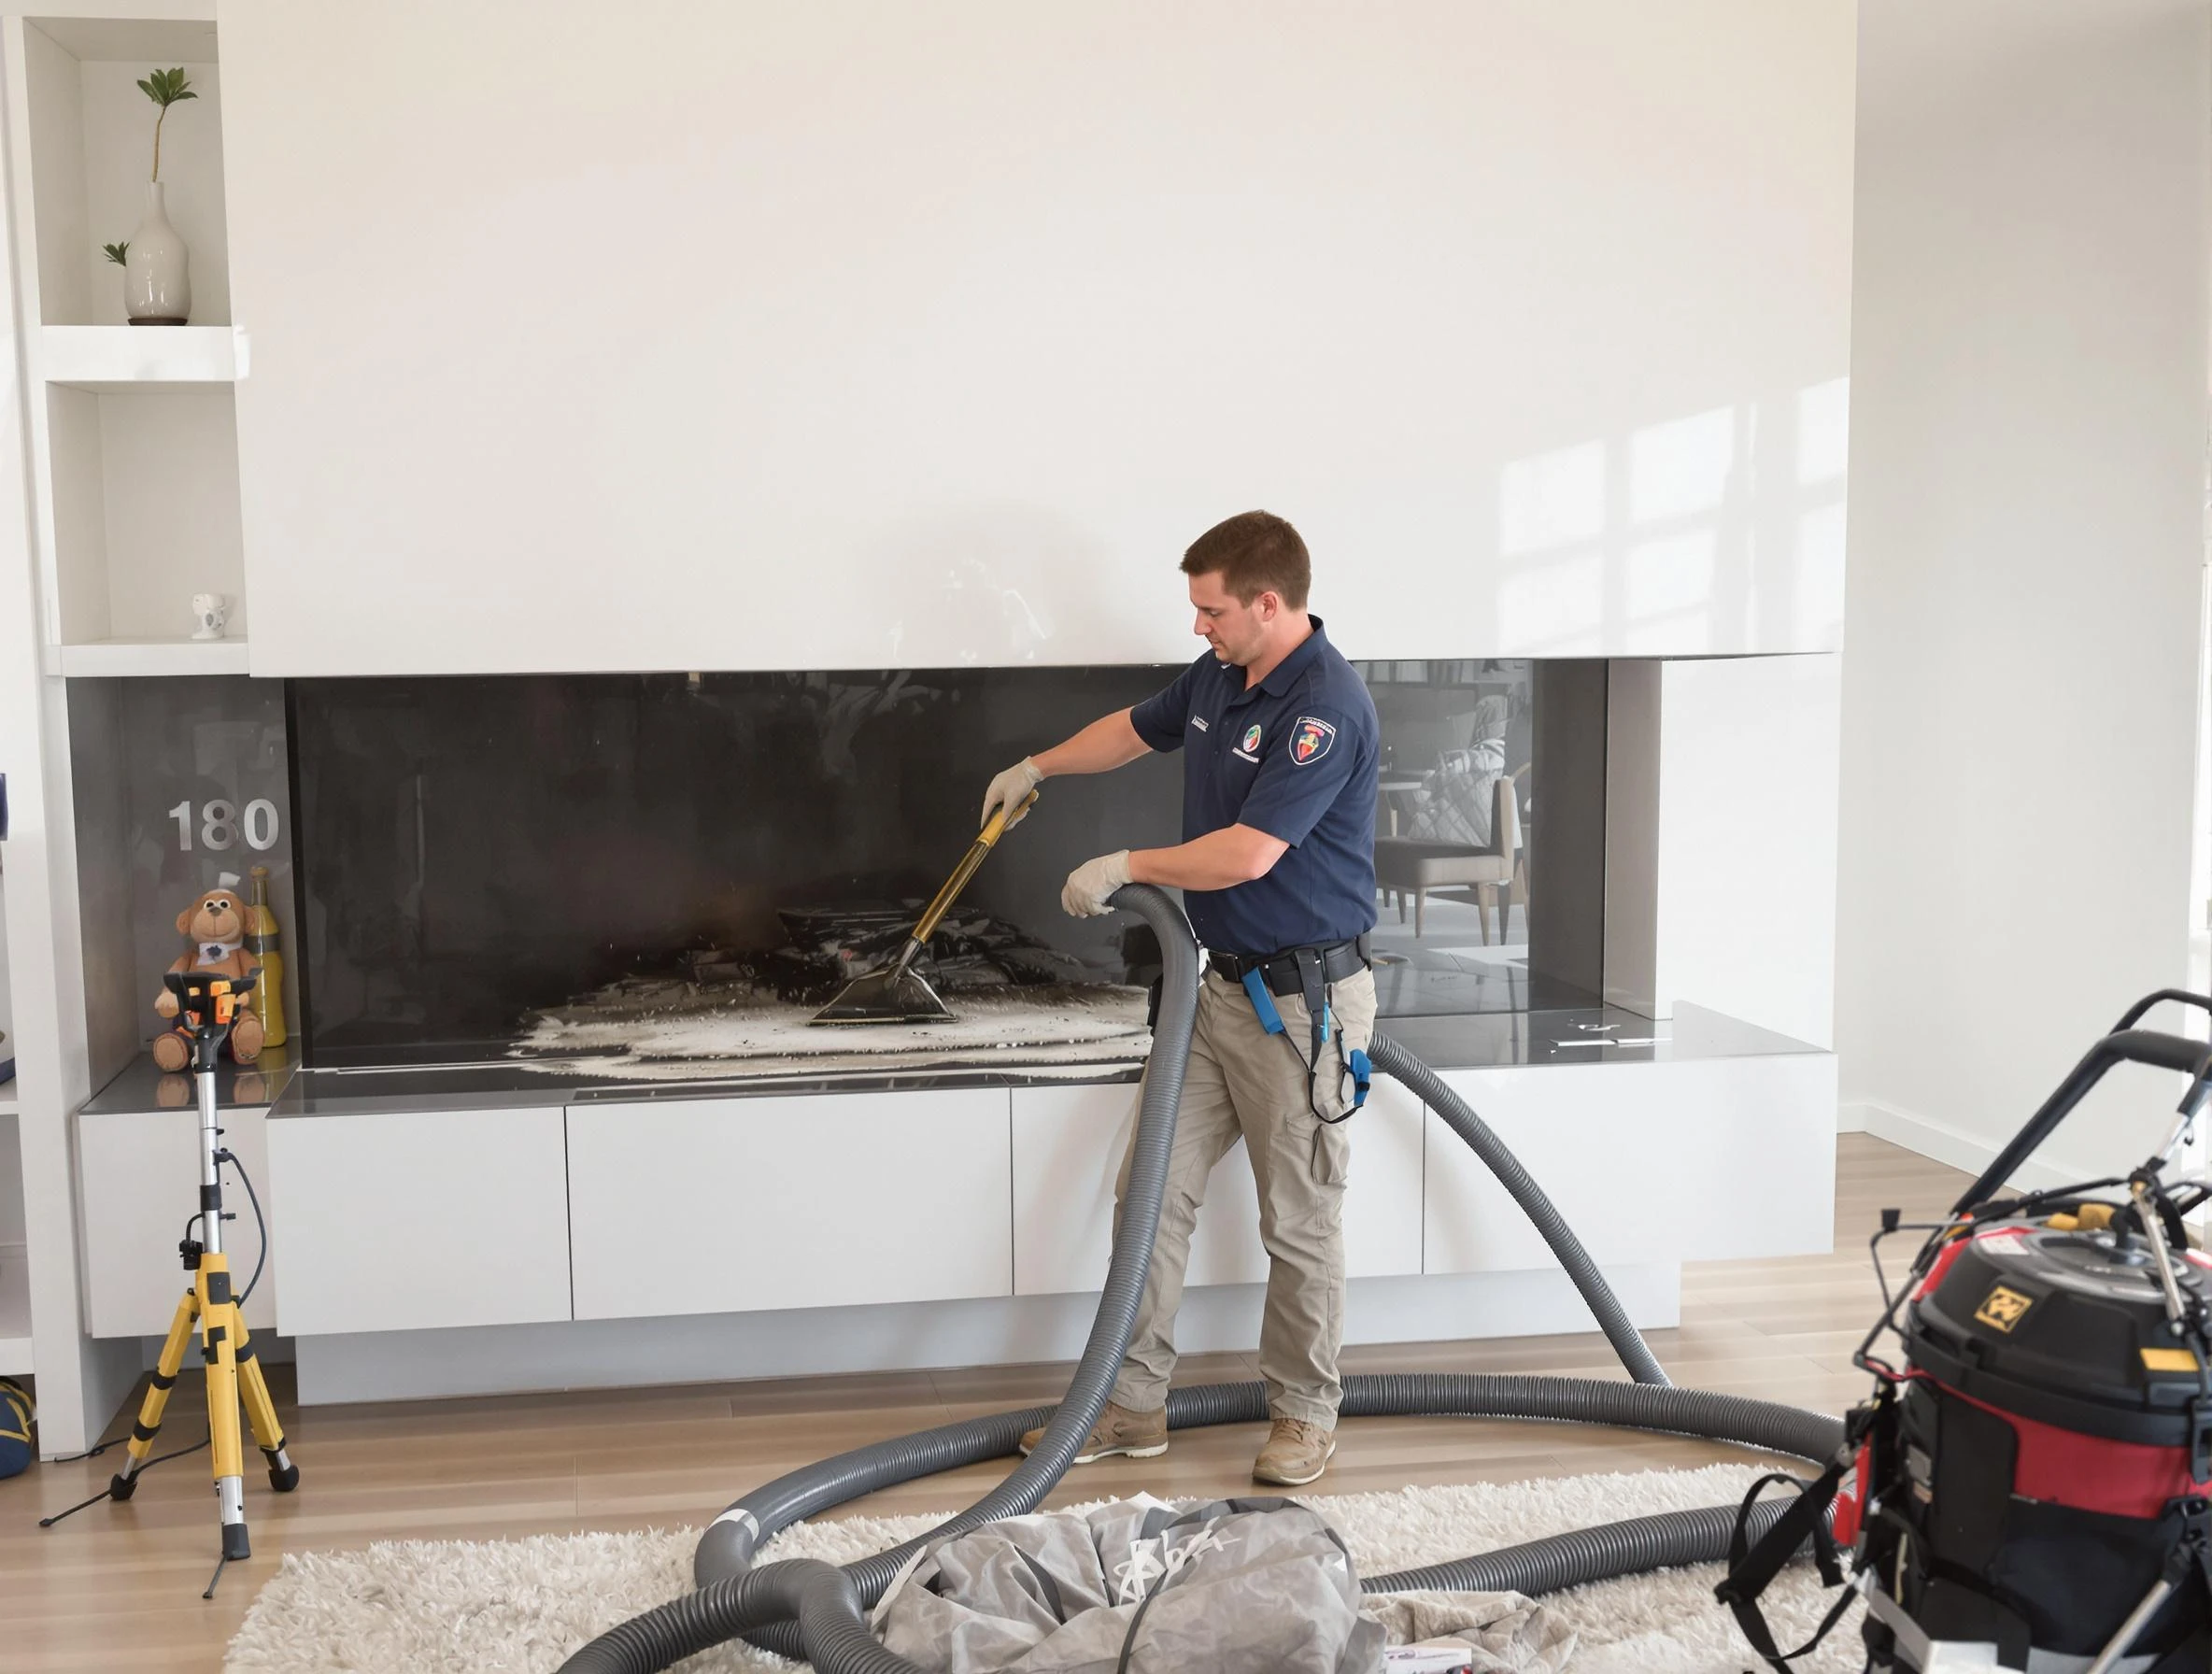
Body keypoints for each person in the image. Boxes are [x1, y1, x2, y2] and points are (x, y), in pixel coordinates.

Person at [979, 510, 1381, 1486]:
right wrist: (1037, 767)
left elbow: (1249, 854)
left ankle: (1304, 1415)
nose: (1198, 626)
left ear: (1268, 604)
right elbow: (1130, 732)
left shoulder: (1323, 709)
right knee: (1149, 1194)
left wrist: (1126, 864)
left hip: (1305, 1008)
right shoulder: (1218, 676)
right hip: (1219, 992)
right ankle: (1133, 1403)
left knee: (1298, 1222)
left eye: (1212, 610)